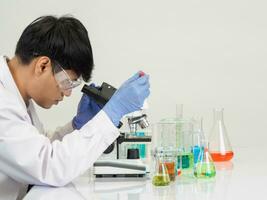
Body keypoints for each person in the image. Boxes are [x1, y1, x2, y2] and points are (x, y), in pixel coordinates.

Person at [0, 15, 150, 199]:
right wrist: (113, 113)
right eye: (67, 83)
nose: (68, 93)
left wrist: (78, 125)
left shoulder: (15, 95)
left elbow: (37, 150)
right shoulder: (2, 104)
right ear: (43, 65)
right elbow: (49, 167)